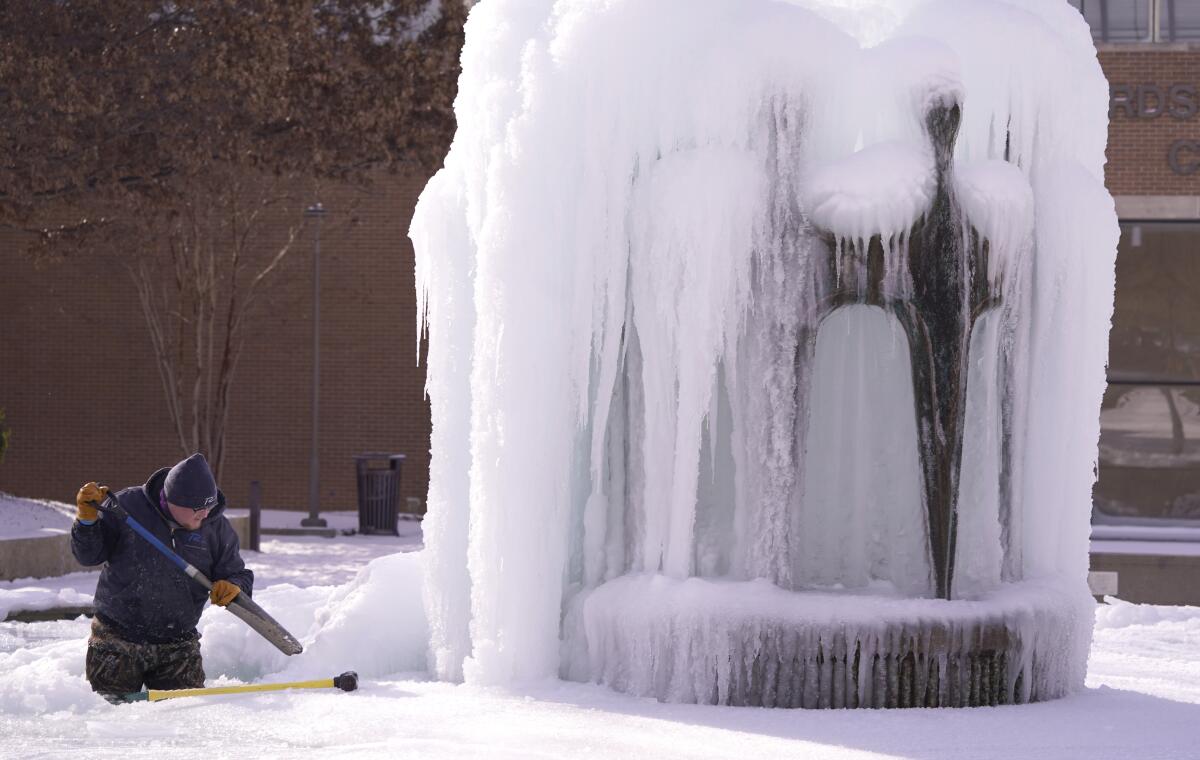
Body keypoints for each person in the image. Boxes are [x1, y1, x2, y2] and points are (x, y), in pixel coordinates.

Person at [71, 452, 253, 702]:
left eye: (209, 508)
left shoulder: (216, 527)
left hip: (178, 643)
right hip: (116, 637)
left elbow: (237, 572)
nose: (204, 515)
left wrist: (234, 585)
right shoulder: (127, 507)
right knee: (108, 720)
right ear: (171, 500)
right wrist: (86, 523)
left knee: (187, 715)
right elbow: (88, 555)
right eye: (197, 509)